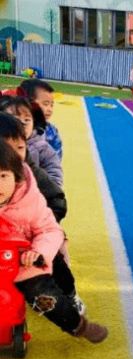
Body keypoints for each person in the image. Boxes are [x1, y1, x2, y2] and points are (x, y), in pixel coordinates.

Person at [0, 141, 107, 342]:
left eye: (3, 176)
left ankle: (77, 325)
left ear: (17, 177)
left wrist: (38, 252)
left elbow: (49, 229)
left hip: (23, 261)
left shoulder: (29, 201)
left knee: (42, 293)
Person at [0, 111, 66, 222]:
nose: (16, 154)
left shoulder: (30, 172)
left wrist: (44, 222)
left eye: (20, 147)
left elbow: (56, 200)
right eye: (8, 148)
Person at [1, 96, 63, 187]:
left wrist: (41, 192)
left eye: (27, 119)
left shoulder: (42, 147)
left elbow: (54, 173)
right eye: (15, 119)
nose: (23, 123)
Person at [19, 79, 62, 160]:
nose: (50, 109)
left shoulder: (51, 131)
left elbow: (55, 160)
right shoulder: (12, 125)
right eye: (45, 104)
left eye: (51, 105)